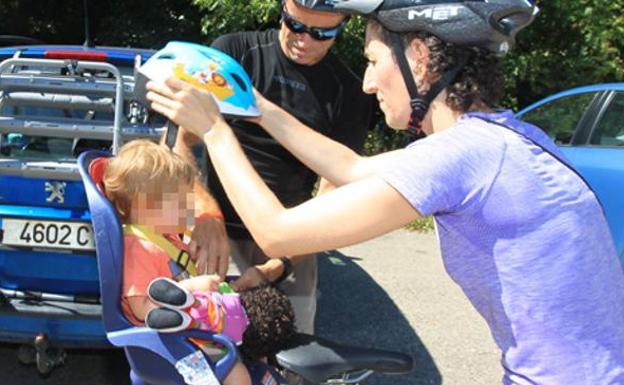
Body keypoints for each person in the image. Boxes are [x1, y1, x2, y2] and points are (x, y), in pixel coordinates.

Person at [146, 0, 624, 383]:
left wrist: (215, 131)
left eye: (374, 61)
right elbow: (352, 167)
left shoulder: (460, 156)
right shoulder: (499, 138)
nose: (369, 83)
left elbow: (276, 233)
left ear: (418, 56)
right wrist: (253, 106)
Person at [175, 0, 376, 334]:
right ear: (282, 8)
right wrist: (202, 217)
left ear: (342, 26)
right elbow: (183, 144)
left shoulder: (349, 91)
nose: (304, 40)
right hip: (216, 232)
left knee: (292, 352)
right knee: (205, 345)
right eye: (295, 25)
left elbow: (331, 197)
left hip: (293, 242)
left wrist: (277, 266)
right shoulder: (235, 54)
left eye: (321, 33)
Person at [101, 139, 296, 385]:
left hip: (191, 328)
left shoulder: (166, 237)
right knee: (238, 377)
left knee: (258, 348)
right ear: (145, 204)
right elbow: (141, 307)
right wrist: (192, 288)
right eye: (179, 202)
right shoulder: (138, 247)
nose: (187, 208)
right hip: (170, 342)